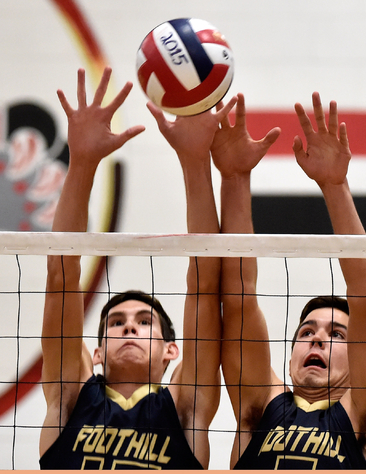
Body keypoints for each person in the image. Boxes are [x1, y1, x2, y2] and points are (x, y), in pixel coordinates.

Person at [39, 67, 235, 470]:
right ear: (95, 354)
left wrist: (195, 162)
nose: (129, 327)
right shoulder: (70, 397)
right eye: (115, 323)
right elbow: (62, 270)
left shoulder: (186, 407)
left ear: (171, 352)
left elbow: (204, 283)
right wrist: (81, 164)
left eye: (145, 322)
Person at [214, 92, 366, 469]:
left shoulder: (365, 414)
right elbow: (238, 297)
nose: (317, 338)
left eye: (337, 334)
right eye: (307, 331)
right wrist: (234, 177)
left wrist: (334, 186)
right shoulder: (260, 403)